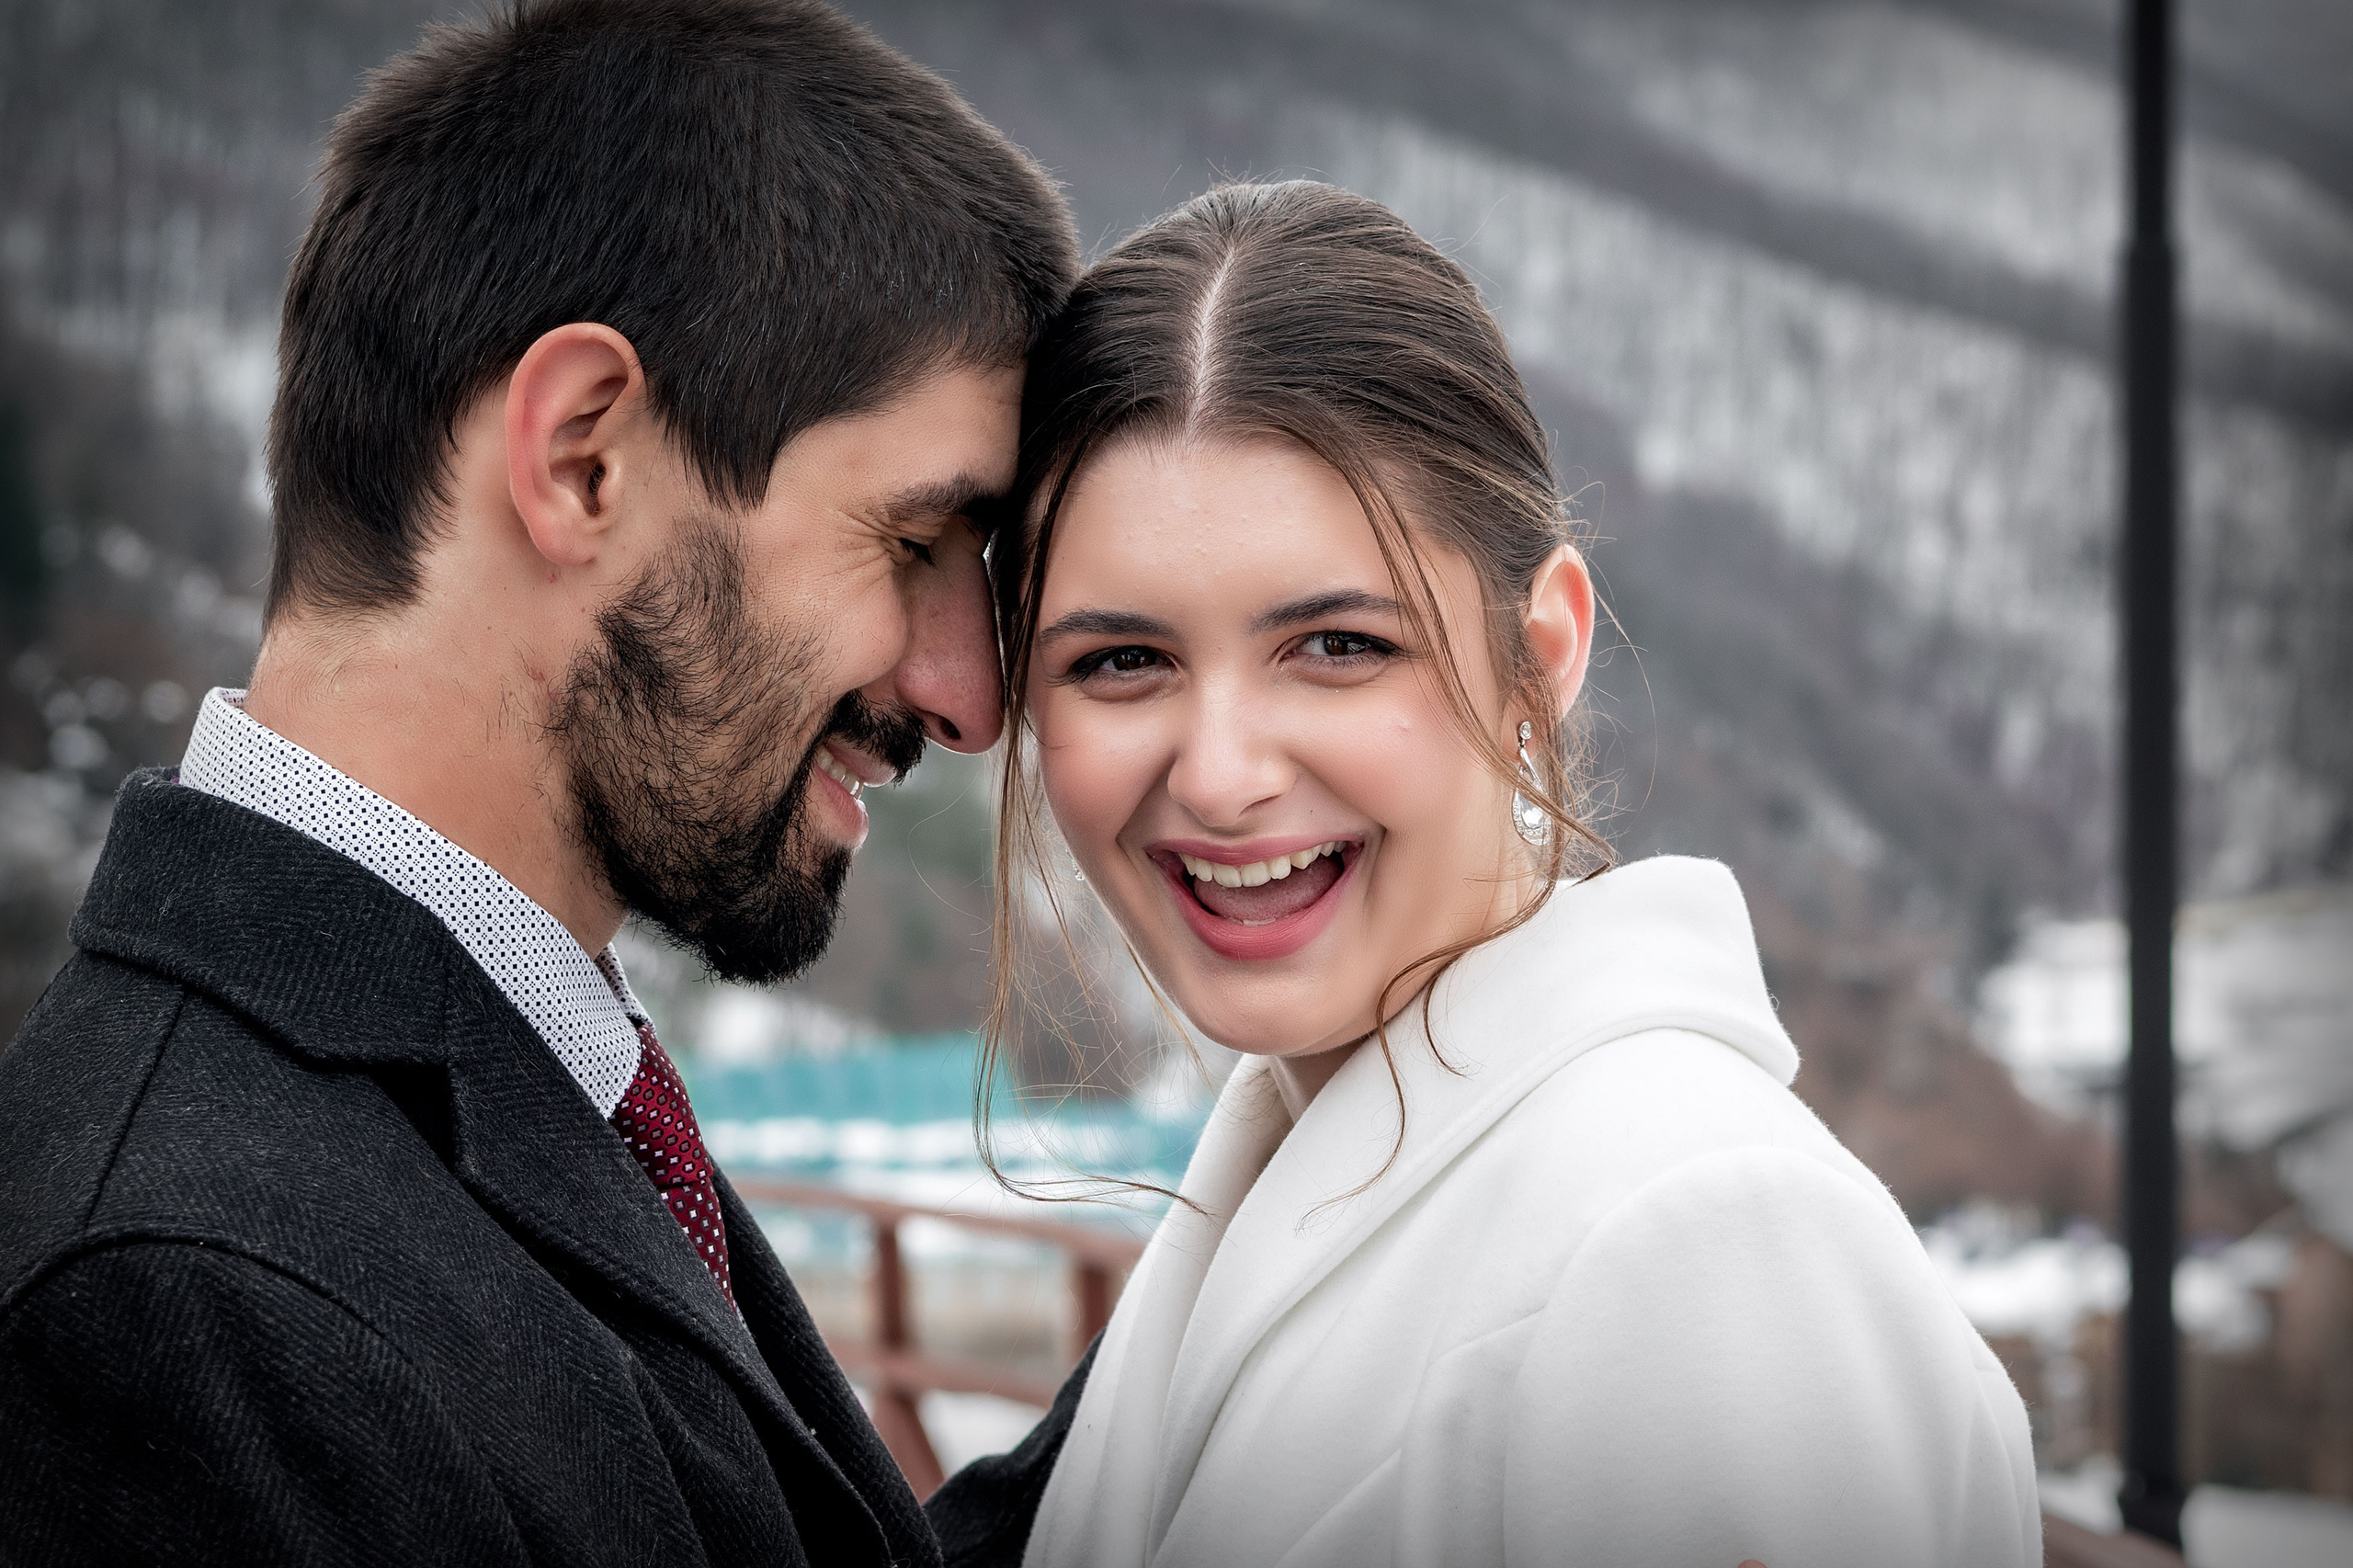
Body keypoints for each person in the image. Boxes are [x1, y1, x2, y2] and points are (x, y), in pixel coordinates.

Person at [0, 2, 1086, 1562]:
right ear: (585, 455)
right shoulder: (174, 1308)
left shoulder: (477, 1070)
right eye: (915, 542)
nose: (971, 698)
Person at [977, 181, 2042, 1567]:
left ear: (1543, 650)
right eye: (1122, 662)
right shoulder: (1290, 1164)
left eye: (1339, 645)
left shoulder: (1695, 1238)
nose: (1221, 772)